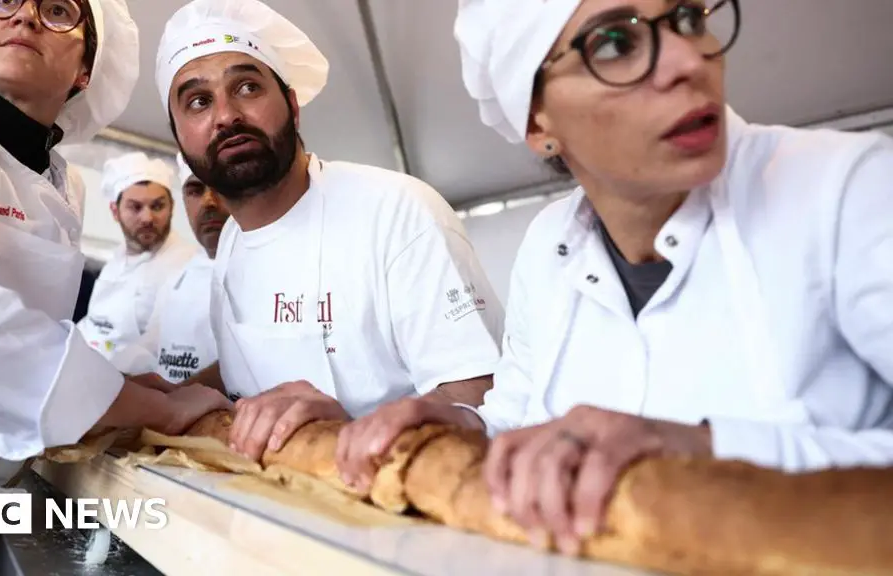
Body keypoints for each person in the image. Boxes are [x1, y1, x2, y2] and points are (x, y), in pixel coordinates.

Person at [440, 0, 893, 556]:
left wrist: (702, 447)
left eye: (687, 18)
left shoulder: (849, 191)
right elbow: (517, 421)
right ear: (538, 123)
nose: (687, 61)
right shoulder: (548, 243)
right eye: (614, 44)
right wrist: (449, 421)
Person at [0, 1, 228, 573]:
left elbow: (35, 333)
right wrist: (147, 408)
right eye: (3, 0)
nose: (25, 16)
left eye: (59, 10)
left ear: (86, 69)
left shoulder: (63, 187)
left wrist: (116, 386)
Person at [154, 0, 505, 478]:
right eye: (198, 101)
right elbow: (249, 366)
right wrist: (165, 397)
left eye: (248, 87)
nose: (226, 115)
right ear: (178, 137)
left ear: (293, 106)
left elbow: (484, 398)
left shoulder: (397, 210)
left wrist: (352, 429)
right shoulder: (232, 240)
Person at [115, 153, 230, 385]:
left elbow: (246, 364)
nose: (209, 201)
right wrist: (115, 380)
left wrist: (174, 400)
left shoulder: (263, 274)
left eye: (221, 187)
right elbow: (152, 344)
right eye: (196, 190)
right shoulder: (180, 276)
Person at [77, 151, 199, 365]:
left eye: (157, 206)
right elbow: (94, 326)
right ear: (115, 211)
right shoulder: (116, 261)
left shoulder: (186, 266)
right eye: (135, 207)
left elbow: (157, 344)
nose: (147, 218)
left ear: (172, 207)